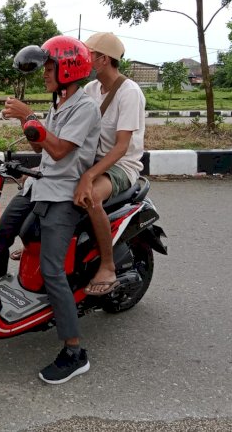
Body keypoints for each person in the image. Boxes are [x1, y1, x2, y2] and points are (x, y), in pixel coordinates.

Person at [0, 35, 101, 384]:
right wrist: (25, 123)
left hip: (65, 192)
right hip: (40, 183)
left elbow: (58, 151)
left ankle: (74, 352)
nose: (44, 74)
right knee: (0, 231)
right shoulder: (60, 101)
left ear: (68, 69)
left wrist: (29, 115)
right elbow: (39, 143)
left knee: (52, 269)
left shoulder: (84, 107)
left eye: (50, 67)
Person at [73, 32, 146, 296]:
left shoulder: (129, 92)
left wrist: (88, 176)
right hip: (92, 160)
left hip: (121, 166)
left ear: (102, 59)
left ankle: (107, 265)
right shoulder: (90, 89)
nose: (82, 58)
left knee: (91, 196)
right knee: (38, 181)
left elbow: (121, 147)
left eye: (87, 54)